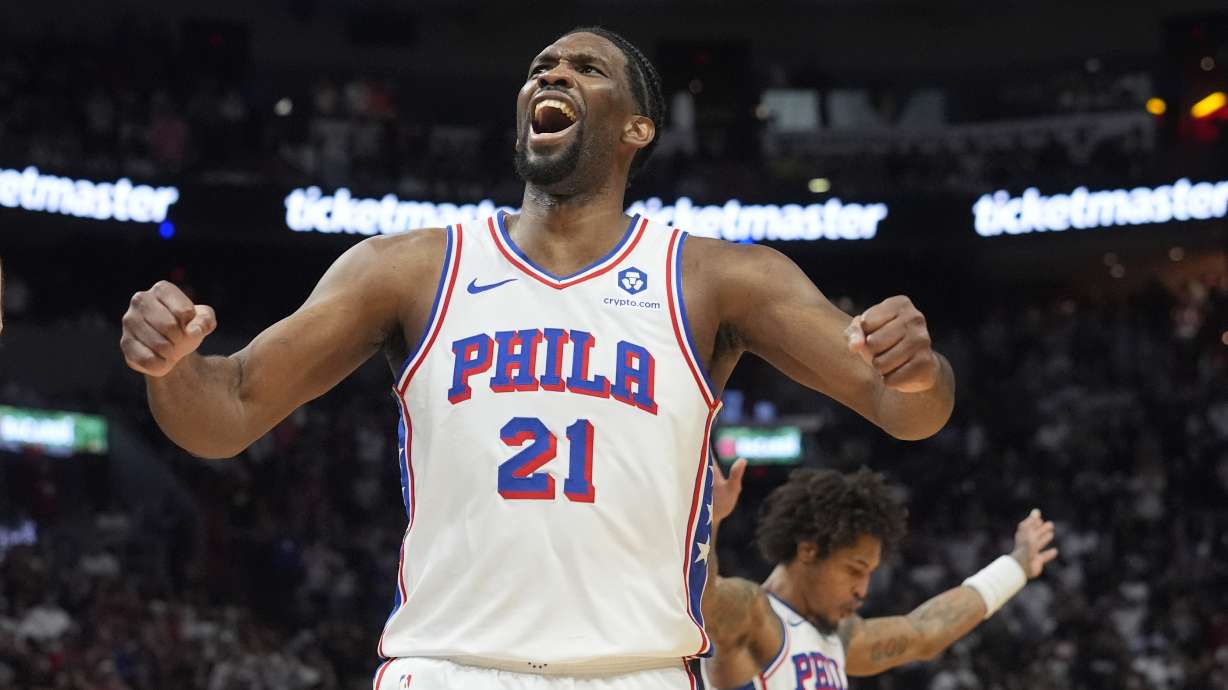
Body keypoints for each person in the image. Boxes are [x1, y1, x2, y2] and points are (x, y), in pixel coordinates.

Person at [118, 26, 956, 690]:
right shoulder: (407, 268)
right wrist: (172, 367)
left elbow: (904, 409)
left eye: (585, 68)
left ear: (638, 127)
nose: (550, 76)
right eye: (540, 67)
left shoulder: (716, 277)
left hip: (638, 671)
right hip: (448, 667)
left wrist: (919, 370)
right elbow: (224, 415)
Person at [701, 462, 1057, 690]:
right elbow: (699, 603)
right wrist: (709, 520)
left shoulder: (839, 638)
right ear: (808, 550)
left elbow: (924, 632)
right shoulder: (753, 614)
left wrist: (1017, 567)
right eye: (854, 570)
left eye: (870, 573)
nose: (863, 590)